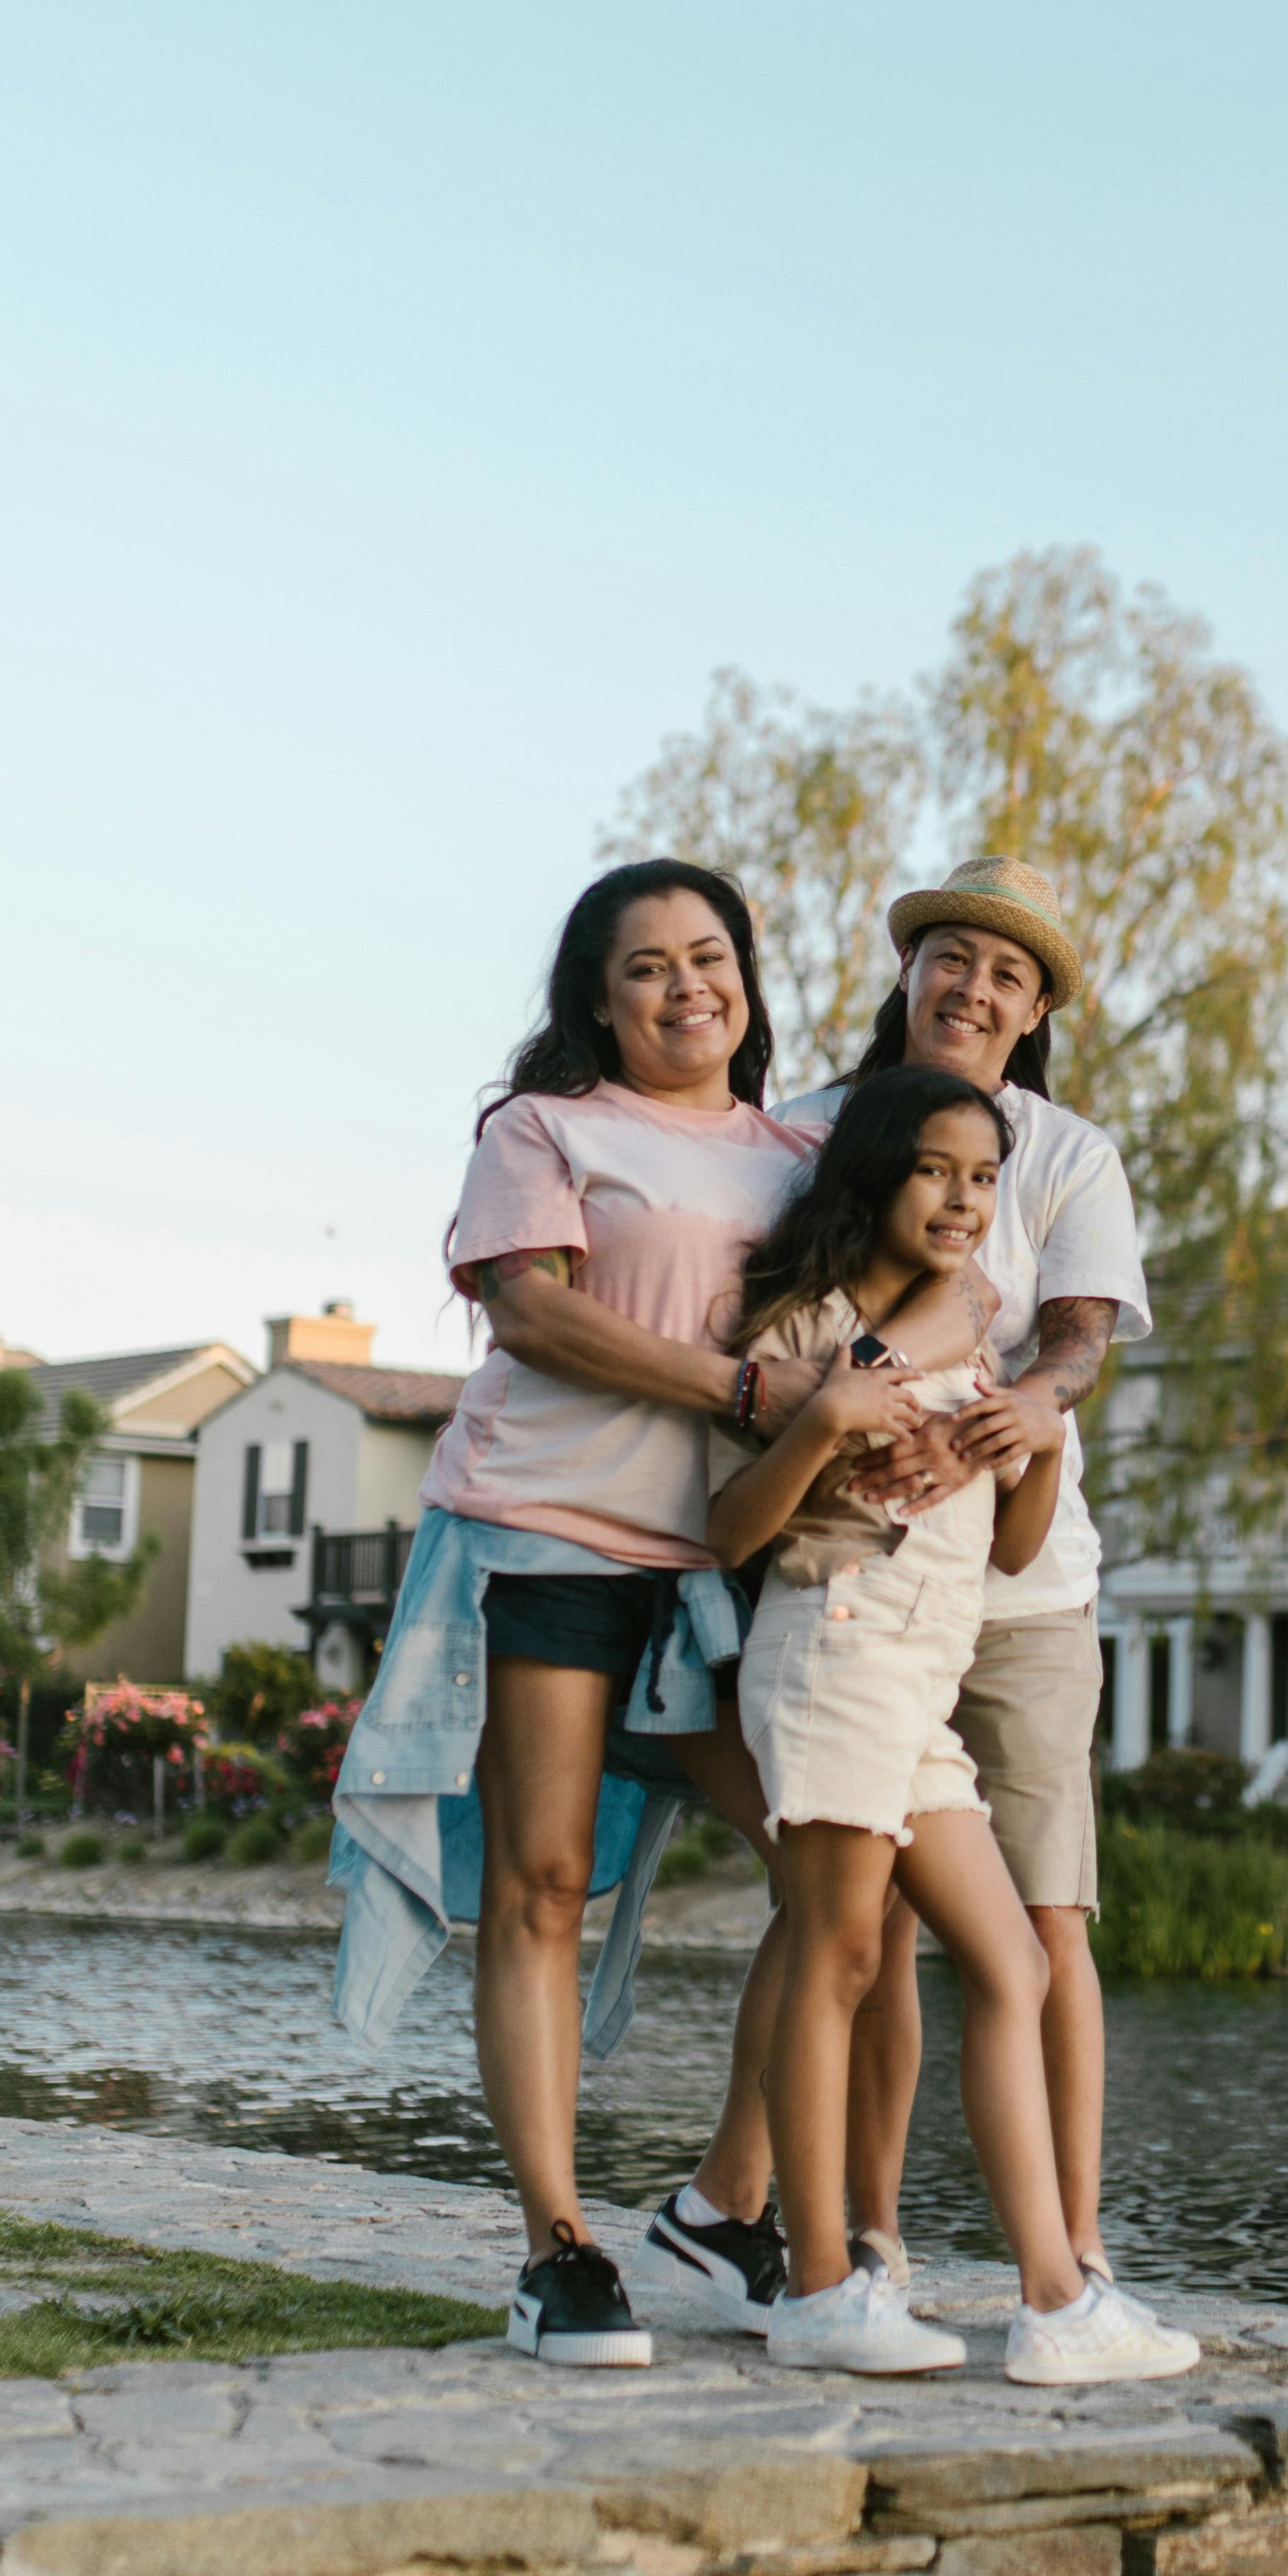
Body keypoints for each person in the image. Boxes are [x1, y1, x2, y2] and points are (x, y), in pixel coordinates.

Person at [648, 853, 1181, 2356]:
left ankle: (1061, 2292)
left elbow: (1018, 1536)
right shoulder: (820, 1324)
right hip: (835, 1653)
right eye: (953, 956)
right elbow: (735, 1519)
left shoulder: (1008, 1283)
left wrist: (1029, 1423)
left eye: (980, 1181)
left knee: (1013, 1952)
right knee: (840, 1946)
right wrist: (833, 1420)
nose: (964, 1202)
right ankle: (830, 2269)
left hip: (945, 1657)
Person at [333, 858, 821, 2370]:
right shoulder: (543, 1129)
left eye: (711, 955)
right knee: (544, 1882)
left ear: (747, 974)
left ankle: (727, 2197)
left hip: (721, 1562)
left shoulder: (803, 1155)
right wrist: (742, 1385)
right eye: (647, 968)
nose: (689, 987)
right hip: (544, 1530)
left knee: (830, 1870)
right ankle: (558, 2246)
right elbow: (533, 1310)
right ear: (597, 1001)